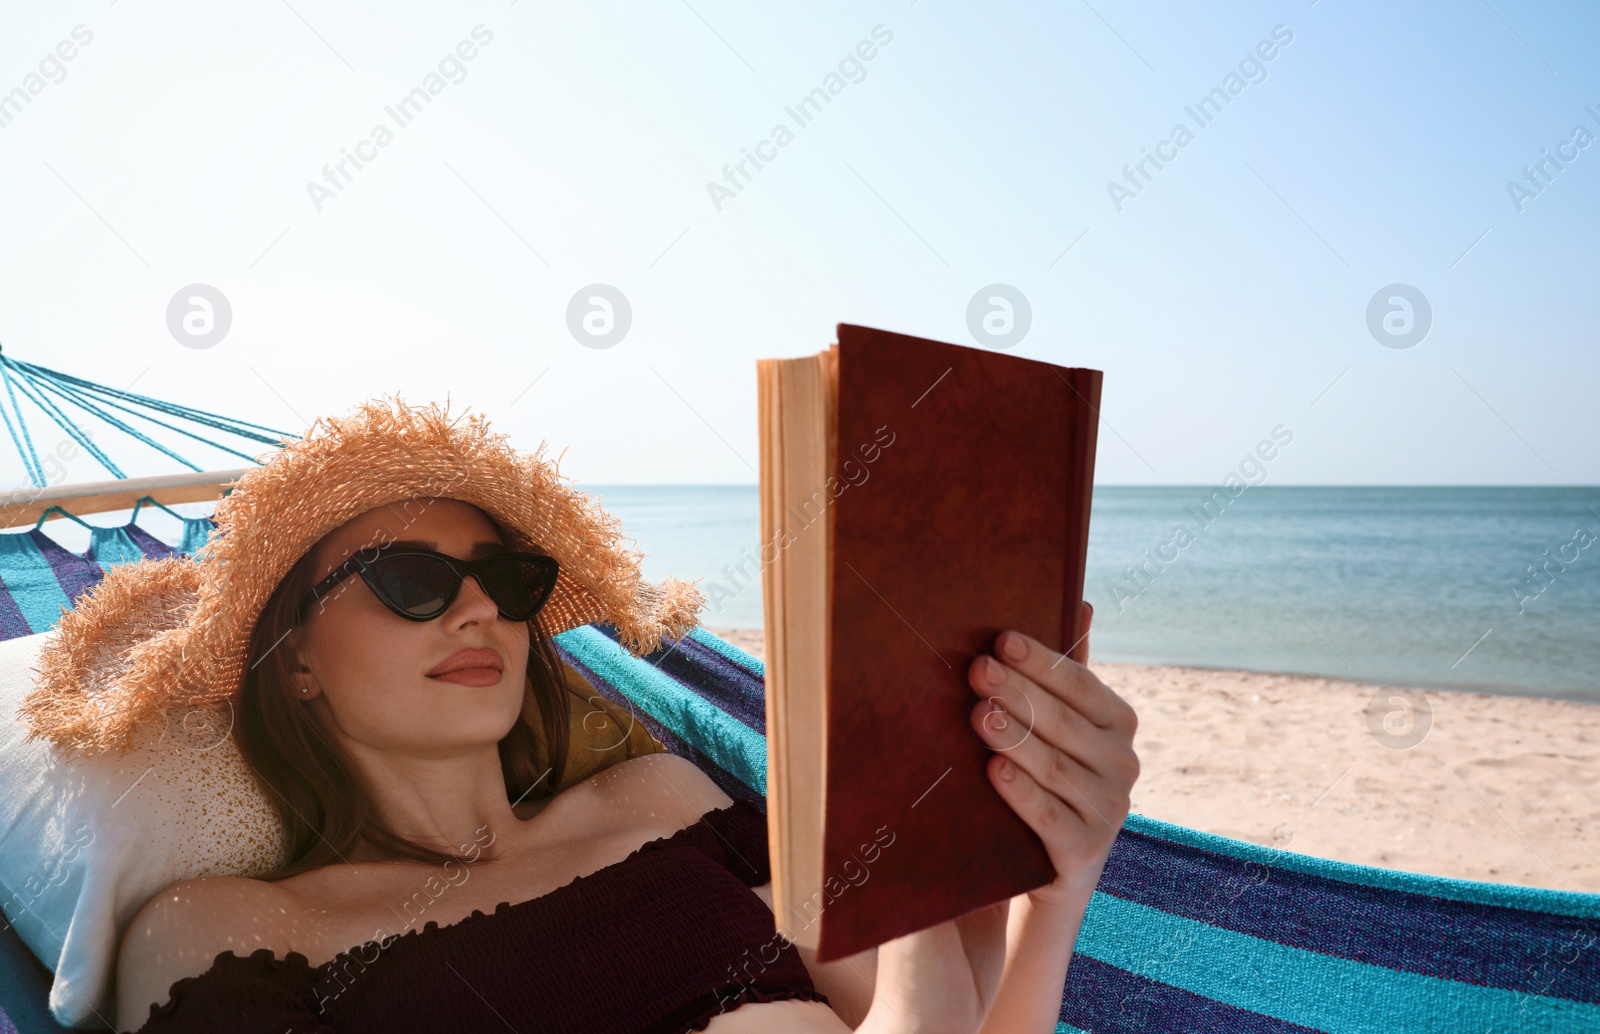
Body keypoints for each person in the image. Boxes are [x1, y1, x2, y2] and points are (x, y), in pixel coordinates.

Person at [29, 399, 1139, 1034]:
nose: (476, 607)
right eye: (412, 577)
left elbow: (923, 1006)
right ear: (296, 657)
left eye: (505, 580)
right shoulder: (229, 932)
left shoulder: (664, 799)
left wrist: (1041, 894)